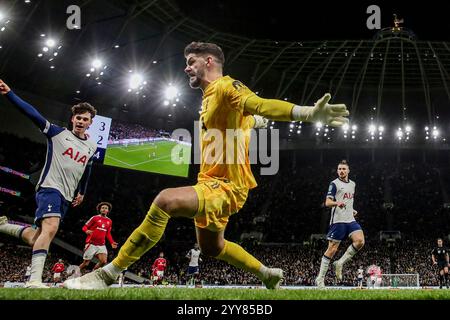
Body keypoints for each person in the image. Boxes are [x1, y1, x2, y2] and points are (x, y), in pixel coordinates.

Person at [63, 41, 349, 290]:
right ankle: (267, 274)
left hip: (226, 187)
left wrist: (307, 112)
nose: (186, 68)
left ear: (208, 61)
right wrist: (254, 121)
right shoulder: (210, 98)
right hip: (208, 183)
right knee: (213, 248)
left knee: (164, 201)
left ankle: (108, 274)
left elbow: (259, 104)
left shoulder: (227, 86)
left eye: (190, 62)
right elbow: (250, 117)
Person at [0, 79, 97, 288]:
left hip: (67, 196)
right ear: (73, 119)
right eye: (78, 118)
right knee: (51, 229)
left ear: (90, 123)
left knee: (36, 238)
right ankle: (33, 281)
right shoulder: (57, 133)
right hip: (50, 188)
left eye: (85, 119)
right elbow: (33, 114)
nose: (81, 121)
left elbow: (87, 168)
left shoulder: (91, 146)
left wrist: (82, 192)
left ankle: (4, 226)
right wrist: (10, 94)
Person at [315, 160, 364, 288]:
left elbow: (348, 201)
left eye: (344, 169)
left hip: (350, 219)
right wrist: (337, 203)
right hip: (338, 221)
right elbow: (327, 202)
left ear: (348, 171)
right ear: (337, 171)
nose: (341, 171)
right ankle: (320, 279)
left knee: (360, 241)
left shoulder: (353, 184)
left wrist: (351, 210)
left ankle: (340, 263)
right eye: (339, 169)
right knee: (332, 249)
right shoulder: (334, 184)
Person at [79, 202, 118, 272]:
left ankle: (93, 272)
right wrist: (86, 231)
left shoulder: (109, 221)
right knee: (86, 264)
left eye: (106, 208)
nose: (104, 209)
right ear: (100, 209)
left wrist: (112, 242)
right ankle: (75, 274)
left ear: (108, 211)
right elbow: (84, 227)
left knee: (103, 261)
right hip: (91, 244)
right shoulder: (95, 218)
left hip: (101, 245)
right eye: (102, 208)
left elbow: (108, 233)